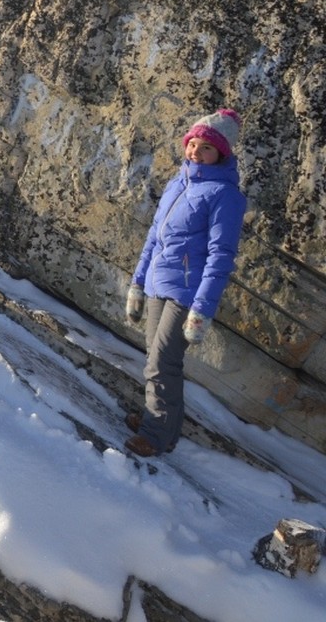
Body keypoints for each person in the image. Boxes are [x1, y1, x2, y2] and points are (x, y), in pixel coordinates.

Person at [123, 108, 246, 457]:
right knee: (157, 358)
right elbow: (154, 237)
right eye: (194, 143)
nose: (196, 151)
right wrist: (137, 283)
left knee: (163, 361)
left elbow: (221, 256)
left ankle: (156, 434)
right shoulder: (179, 183)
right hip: (159, 283)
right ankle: (160, 423)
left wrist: (201, 310)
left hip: (188, 293)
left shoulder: (225, 196)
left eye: (206, 148)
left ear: (221, 154)